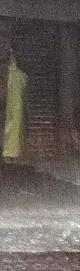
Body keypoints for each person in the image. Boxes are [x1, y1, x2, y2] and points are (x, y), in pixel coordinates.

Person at [0, 36, 28, 199]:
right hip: (7, 120)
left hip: (8, 121)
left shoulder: (16, 76)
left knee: (8, 155)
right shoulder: (15, 75)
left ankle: (8, 185)